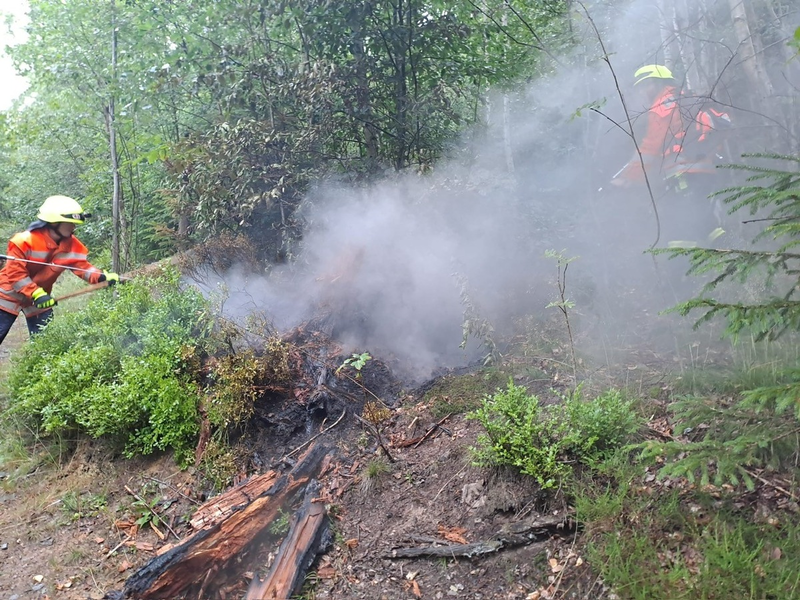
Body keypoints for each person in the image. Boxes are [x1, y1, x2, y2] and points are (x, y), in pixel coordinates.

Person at [610, 64, 732, 245]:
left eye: (646, 85)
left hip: (682, 173)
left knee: (680, 226)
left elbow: (651, 146)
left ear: (659, 83)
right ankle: (732, 255)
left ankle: (686, 267)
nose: (643, 91)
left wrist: (629, 176)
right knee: (705, 219)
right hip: (704, 169)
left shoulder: (663, 105)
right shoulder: (685, 98)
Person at [0, 195, 119, 345]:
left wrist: (101, 277)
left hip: (41, 299)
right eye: (70, 223)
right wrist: (35, 293)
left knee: (45, 343)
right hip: (7, 296)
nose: (74, 227)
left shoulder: (72, 245)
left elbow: (82, 266)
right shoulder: (23, 241)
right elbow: (16, 274)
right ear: (54, 222)